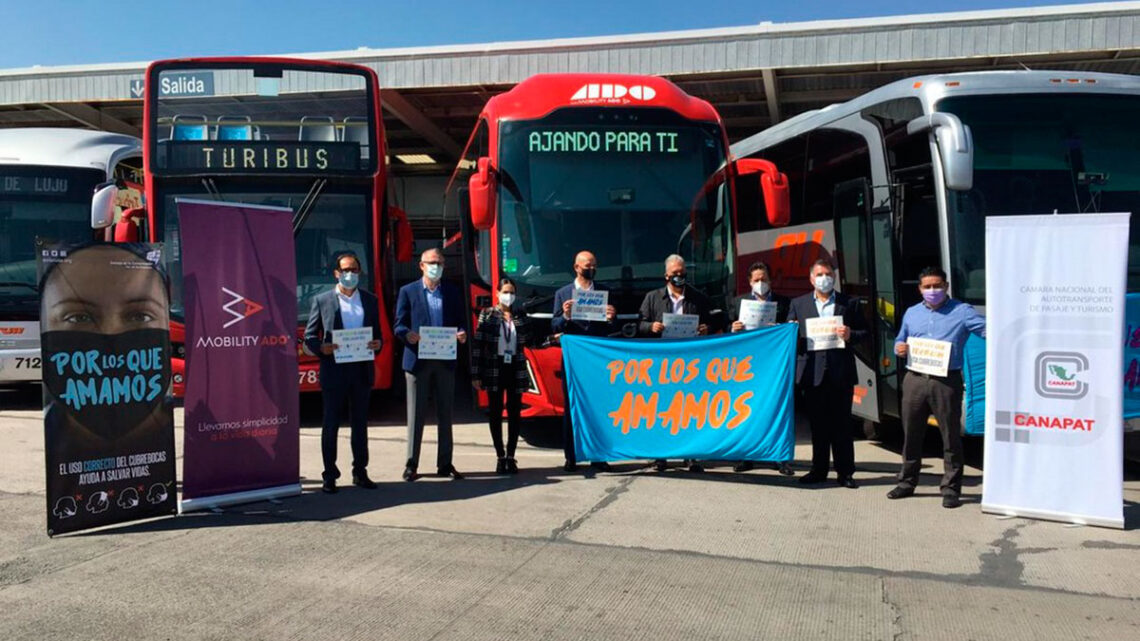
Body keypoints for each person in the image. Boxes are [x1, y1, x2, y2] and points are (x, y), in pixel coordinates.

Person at [888, 266, 986, 509]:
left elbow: (987, 331)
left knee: (950, 436)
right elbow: (901, 338)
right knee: (911, 434)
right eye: (927, 286)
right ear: (920, 289)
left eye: (937, 286)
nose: (933, 290)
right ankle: (907, 482)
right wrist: (898, 347)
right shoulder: (912, 313)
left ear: (946, 286)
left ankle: (951, 488)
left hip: (946, 381)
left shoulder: (962, 312)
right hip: (915, 379)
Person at [303, 251, 383, 494]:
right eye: (345, 270)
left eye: (354, 270)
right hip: (334, 370)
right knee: (331, 424)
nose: (350, 274)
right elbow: (309, 338)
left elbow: (377, 335)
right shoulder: (322, 300)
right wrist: (322, 348)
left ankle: (360, 471)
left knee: (360, 424)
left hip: (360, 370)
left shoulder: (370, 300)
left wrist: (377, 344)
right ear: (336, 273)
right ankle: (329, 475)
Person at [786, 258, 867, 489]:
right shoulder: (798, 304)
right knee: (818, 427)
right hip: (812, 373)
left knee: (842, 426)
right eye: (820, 274)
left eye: (828, 274)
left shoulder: (848, 303)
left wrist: (851, 334)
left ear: (834, 277)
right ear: (812, 279)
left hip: (840, 373)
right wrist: (790, 332)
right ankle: (818, 470)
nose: (824, 278)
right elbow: (790, 337)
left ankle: (845, 473)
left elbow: (865, 333)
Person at [638, 254, 719, 473]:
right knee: (661, 408)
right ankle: (660, 456)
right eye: (675, 274)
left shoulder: (697, 298)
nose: (679, 277)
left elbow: (714, 320)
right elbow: (639, 324)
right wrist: (650, 327)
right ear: (666, 276)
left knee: (689, 408)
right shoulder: (652, 298)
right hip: (662, 363)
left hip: (689, 363)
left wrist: (706, 329)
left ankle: (690, 455)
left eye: (682, 273)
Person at [395, 247, 467, 481]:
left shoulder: (452, 291)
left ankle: (445, 463)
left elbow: (460, 322)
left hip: (445, 360)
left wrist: (462, 333)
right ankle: (411, 464)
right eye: (432, 262)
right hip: (418, 361)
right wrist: (408, 335)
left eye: (440, 263)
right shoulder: (408, 291)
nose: (436, 267)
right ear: (422, 265)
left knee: (445, 415)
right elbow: (399, 325)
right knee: (416, 416)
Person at [551, 250, 616, 473]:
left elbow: (611, 328)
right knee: (571, 409)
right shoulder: (563, 294)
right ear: (577, 267)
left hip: (596, 360)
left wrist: (610, 318)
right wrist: (566, 316)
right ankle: (571, 456)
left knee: (599, 407)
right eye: (588, 265)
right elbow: (555, 325)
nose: (592, 268)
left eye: (595, 265)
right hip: (573, 359)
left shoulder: (605, 291)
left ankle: (599, 456)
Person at [728, 261, 793, 476]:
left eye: (763, 279)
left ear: (770, 280)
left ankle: (779, 458)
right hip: (747, 367)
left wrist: (782, 329)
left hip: (773, 368)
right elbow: (726, 339)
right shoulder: (738, 303)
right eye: (756, 280)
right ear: (749, 282)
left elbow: (793, 331)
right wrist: (733, 329)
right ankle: (745, 456)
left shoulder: (784, 304)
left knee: (775, 410)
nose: (760, 283)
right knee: (746, 410)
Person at [472, 277, 532, 474]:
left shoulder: (520, 315)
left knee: (514, 412)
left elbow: (529, 340)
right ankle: (500, 455)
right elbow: (478, 346)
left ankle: (511, 456)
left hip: (515, 366)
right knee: (495, 411)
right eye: (505, 292)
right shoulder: (488, 315)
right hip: (494, 366)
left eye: (512, 292)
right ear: (497, 293)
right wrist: (476, 373)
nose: (509, 296)